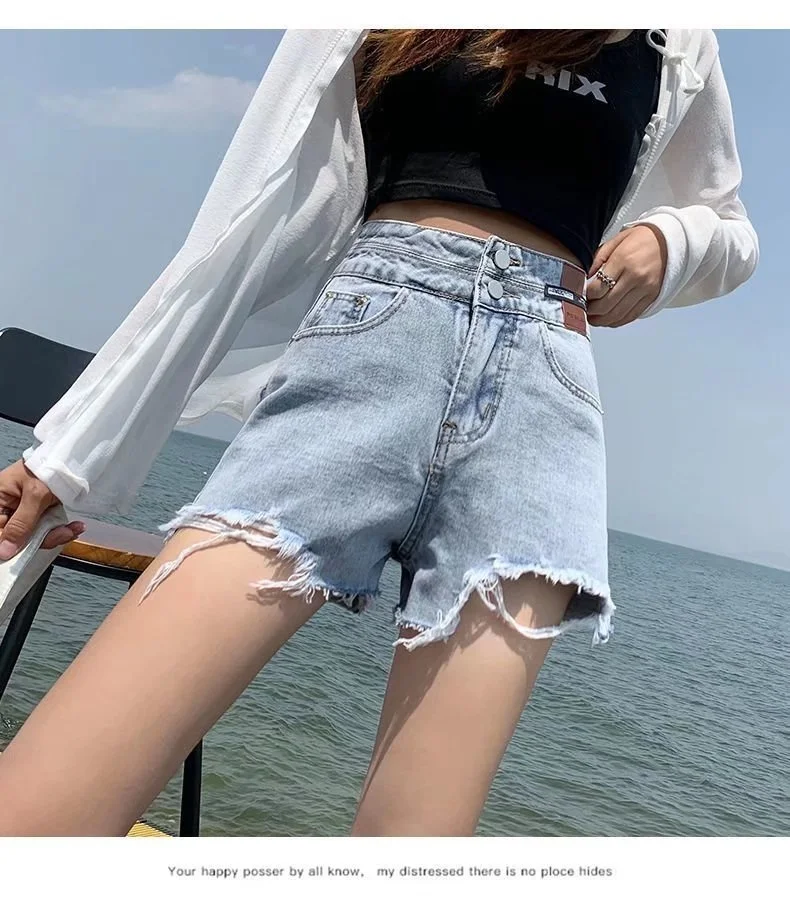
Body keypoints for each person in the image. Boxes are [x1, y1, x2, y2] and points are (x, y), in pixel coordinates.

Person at [0, 29, 758, 836]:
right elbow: (245, 217)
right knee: (46, 811)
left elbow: (731, 227)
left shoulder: (673, 35)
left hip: (545, 396)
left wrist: (672, 243)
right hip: (370, 343)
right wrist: (70, 455)